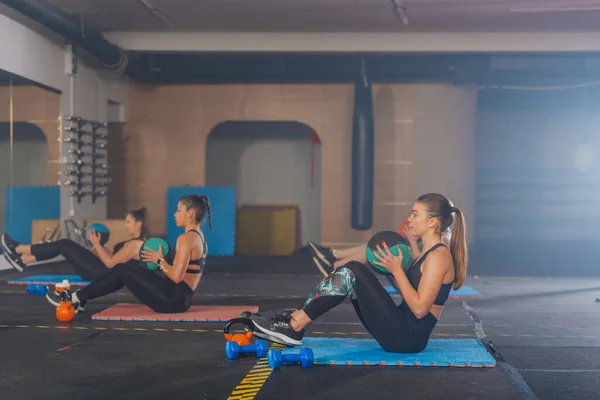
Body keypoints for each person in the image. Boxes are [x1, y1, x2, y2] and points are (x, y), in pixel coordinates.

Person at [251, 193, 468, 352]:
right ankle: (293, 323)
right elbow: (408, 293)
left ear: (432, 222)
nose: (409, 219)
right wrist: (389, 268)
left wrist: (396, 271)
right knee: (354, 272)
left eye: (415, 214)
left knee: (352, 270)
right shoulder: (426, 253)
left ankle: (293, 326)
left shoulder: (439, 257)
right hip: (401, 326)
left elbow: (420, 309)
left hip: (408, 338)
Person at [45, 194, 211, 315]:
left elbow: (176, 276)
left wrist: (159, 260)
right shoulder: (199, 237)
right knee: (123, 269)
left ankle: (76, 298)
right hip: (178, 297)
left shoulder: (186, 238)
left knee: (122, 270)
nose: (175, 214)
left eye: (179, 210)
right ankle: (79, 299)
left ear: (189, 214)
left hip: (171, 300)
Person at [1, 208, 150, 280]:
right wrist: (97, 244)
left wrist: (97, 245)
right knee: (65, 248)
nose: (126, 226)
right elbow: (112, 257)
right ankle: (23, 260)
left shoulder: (136, 244)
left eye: (129, 222)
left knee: (65, 244)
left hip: (103, 274)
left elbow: (111, 264)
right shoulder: (129, 243)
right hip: (101, 269)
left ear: (139, 224)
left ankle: (19, 248)